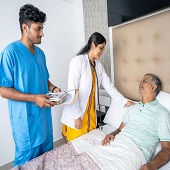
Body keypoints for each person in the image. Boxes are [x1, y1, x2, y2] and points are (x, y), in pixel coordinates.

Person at [0, 4, 61, 166]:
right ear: (25, 27)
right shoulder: (9, 53)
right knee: (26, 165)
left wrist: (53, 89)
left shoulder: (41, 54)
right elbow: (3, 90)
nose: (42, 33)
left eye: (42, 28)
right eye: (38, 29)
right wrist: (35, 98)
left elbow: (43, 78)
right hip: (26, 124)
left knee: (46, 161)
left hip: (44, 120)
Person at [61, 32, 134, 142]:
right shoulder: (78, 61)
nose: (102, 52)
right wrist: (76, 117)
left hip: (91, 114)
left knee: (87, 146)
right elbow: (72, 91)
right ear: (93, 45)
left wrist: (124, 101)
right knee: (75, 146)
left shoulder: (98, 66)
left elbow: (109, 87)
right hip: (77, 113)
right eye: (101, 48)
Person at [102, 73, 170, 170]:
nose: (140, 83)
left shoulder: (162, 113)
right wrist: (111, 134)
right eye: (141, 81)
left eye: (144, 81)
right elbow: (120, 129)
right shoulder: (133, 107)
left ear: (153, 87)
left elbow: (167, 149)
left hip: (135, 151)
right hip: (116, 143)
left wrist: (152, 165)